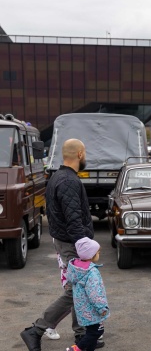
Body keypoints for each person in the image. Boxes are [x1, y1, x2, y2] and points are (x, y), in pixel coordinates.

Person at [20, 139, 104, 350]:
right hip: (72, 244)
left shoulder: (58, 177)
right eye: (85, 153)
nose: (86, 157)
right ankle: (37, 329)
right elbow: (73, 220)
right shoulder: (68, 181)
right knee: (76, 290)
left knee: (79, 289)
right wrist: (87, 248)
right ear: (79, 154)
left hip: (66, 242)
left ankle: (81, 334)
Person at [66, 237, 110, 351]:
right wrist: (101, 308)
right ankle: (76, 349)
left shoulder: (77, 269)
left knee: (92, 332)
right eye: (98, 252)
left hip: (82, 309)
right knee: (96, 332)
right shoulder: (91, 272)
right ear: (91, 255)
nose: (99, 254)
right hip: (92, 310)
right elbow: (94, 293)